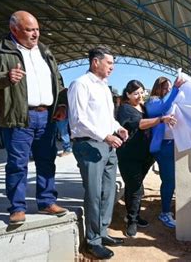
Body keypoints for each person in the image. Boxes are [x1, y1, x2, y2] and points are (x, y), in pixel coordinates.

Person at [0, 10, 68, 225]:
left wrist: (61, 104)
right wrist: (4, 77)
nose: (35, 34)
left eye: (37, 29)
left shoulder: (45, 52)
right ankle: (17, 207)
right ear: (14, 29)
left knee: (47, 160)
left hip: (46, 116)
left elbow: (58, 82)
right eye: (29, 30)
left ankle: (46, 201)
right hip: (19, 116)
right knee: (18, 163)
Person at [68, 46, 128, 260]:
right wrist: (105, 136)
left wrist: (118, 128)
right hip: (89, 145)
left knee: (108, 191)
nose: (112, 67)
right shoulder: (80, 85)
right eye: (109, 63)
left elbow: (106, 118)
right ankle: (93, 241)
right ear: (95, 62)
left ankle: (102, 232)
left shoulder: (103, 87)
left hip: (108, 144)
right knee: (94, 193)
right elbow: (79, 120)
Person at [116, 80, 176, 238]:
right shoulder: (125, 108)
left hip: (144, 155)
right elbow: (140, 124)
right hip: (130, 155)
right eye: (135, 93)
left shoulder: (143, 107)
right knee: (136, 189)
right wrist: (160, 120)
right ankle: (132, 221)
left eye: (141, 92)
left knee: (132, 186)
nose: (139, 96)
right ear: (127, 94)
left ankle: (133, 215)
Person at [145, 76, 185, 229]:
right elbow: (163, 107)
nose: (168, 90)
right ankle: (165, 212)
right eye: (165, 88)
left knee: (174, 178)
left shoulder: (170, 100)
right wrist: (175, 89)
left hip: (175, 143)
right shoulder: (153, 102)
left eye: (169, 88)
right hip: (163, 145)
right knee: (169, 179)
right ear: (157, 88)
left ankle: (168, 207)